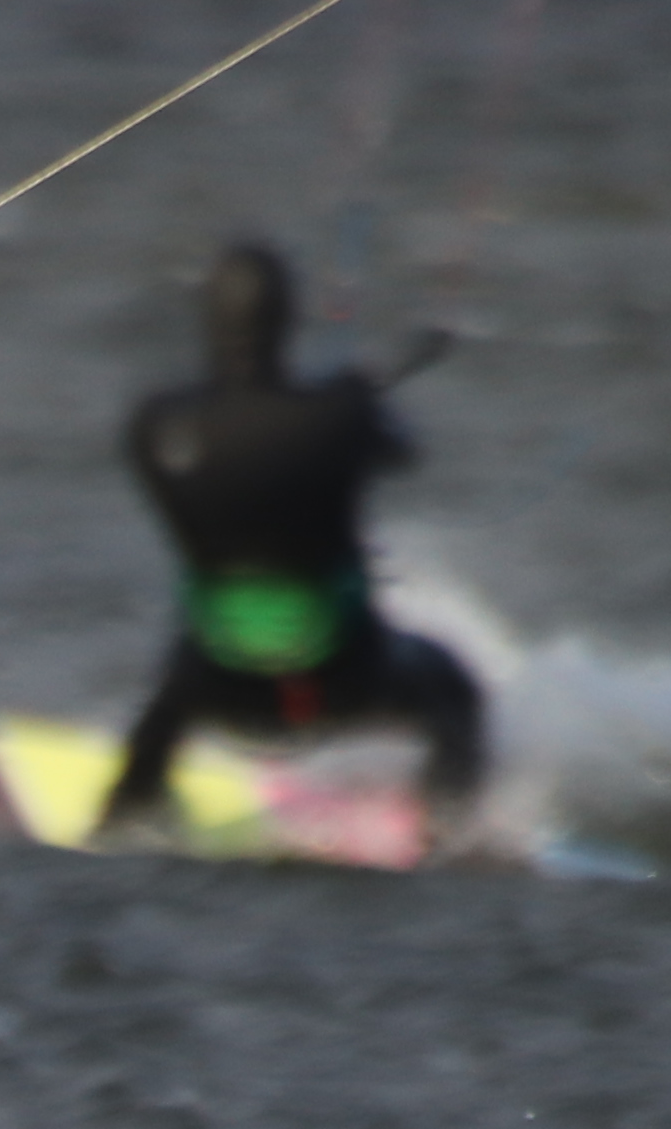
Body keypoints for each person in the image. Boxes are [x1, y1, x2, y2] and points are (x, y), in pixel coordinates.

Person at [100, 238, 487, 837]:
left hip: (216, 685)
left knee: (166, 702)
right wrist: (356, 399)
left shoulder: (155, 423)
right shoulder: (339, 414)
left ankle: (122, 816)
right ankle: (446, 830)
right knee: (456, 686)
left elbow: (232, 451)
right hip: (350, 678)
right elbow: (403, 452)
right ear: (285, 322)